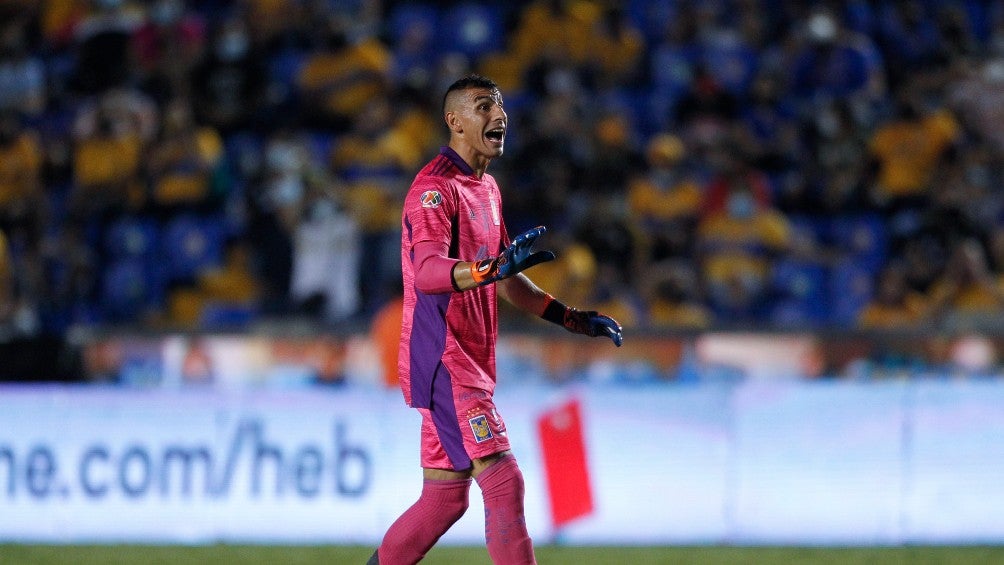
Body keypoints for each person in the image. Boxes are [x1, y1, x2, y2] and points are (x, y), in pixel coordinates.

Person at [368, 74, 622, 565]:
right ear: (455, 121)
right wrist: (487, 268)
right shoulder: (433, 191)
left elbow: (505, 280)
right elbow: (427, 273)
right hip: (443, 356)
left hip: (470, 359)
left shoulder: (486, 189)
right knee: (504, 481)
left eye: (501, 107)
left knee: (445, 498)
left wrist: (573, 319)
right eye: (484, 106)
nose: (498, 116)